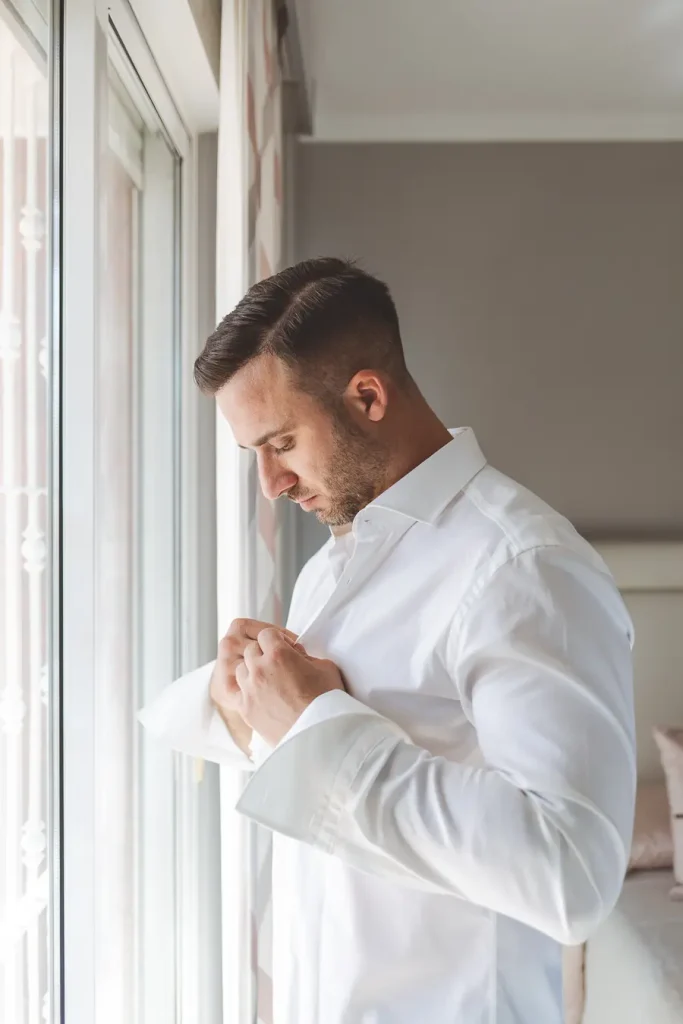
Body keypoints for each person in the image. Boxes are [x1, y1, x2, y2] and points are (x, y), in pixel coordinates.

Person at [143, 257, 636, 1024]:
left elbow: (571, 875)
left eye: (281, 444)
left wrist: (317, 728)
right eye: (255, 456)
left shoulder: (523, 567)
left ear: (366, 395)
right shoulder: (334, 563)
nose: (270, 484)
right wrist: (239, 694)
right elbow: (314, 762)